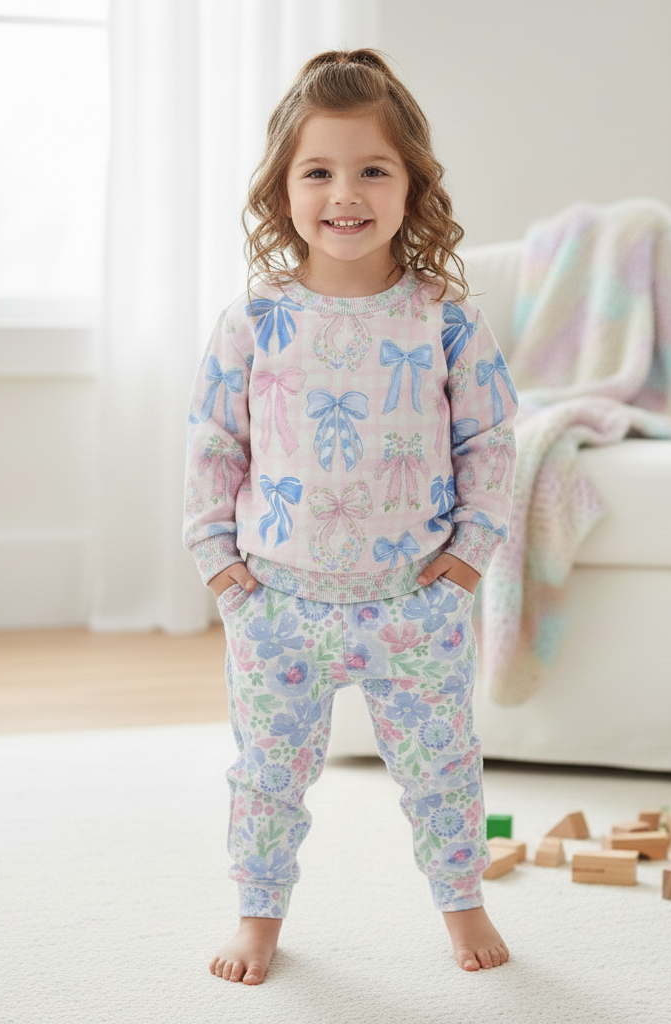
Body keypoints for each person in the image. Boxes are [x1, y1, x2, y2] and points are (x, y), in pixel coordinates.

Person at [184, 49, 518, 986]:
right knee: (267, 774)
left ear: (411, 184)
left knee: (443, 768)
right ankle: (257, 915)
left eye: (373, 169)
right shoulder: (253, 320)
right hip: (277, 602)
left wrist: (468, 559)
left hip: (414, 602)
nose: (345, 193)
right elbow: (213, 443)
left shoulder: (446, 320)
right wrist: (221, 567)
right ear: (281, 190)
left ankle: (464, 902)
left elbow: (492, 439)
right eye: (318, 172)